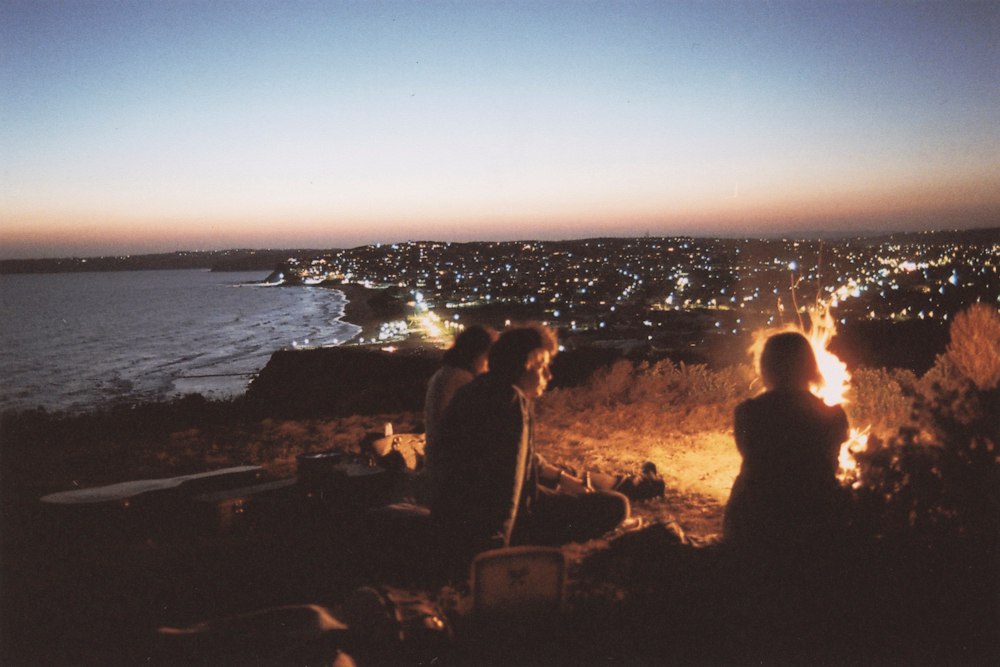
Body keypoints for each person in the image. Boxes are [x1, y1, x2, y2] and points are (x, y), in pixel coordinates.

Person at [430, 323, 630, 555]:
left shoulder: (476, 388)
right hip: (492, 524)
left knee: (570, 497)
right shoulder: (511, 400)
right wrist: (496, 548)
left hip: (456, 514)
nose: (548, 375)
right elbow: (508, 483)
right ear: (525, 365)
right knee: (616, 505)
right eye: (542, 366)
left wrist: (561, 481)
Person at [723, 331, 849, 551]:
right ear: (810, 367)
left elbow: (750, 457)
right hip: (815, 520)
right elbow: (830, 464)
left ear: (766, 367)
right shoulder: (834, 416)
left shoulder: (748, 413)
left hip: (754, 522)